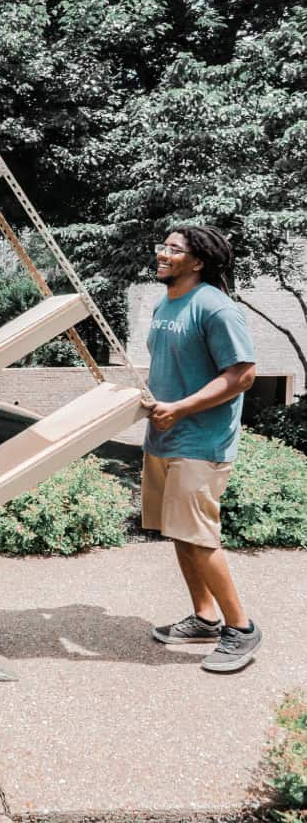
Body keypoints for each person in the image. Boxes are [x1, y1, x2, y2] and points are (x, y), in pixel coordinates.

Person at [142, 225, 259, 672]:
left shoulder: (216, 308)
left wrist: (182, 408)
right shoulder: (165, 303)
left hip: (201, 440)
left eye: (175, 249)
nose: (163, 254)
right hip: (165, 436)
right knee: (180, 533)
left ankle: (242, 629)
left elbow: (243, 374)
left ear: (199, 262)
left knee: (200, 536)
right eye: (163, 246)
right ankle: (206, 617)